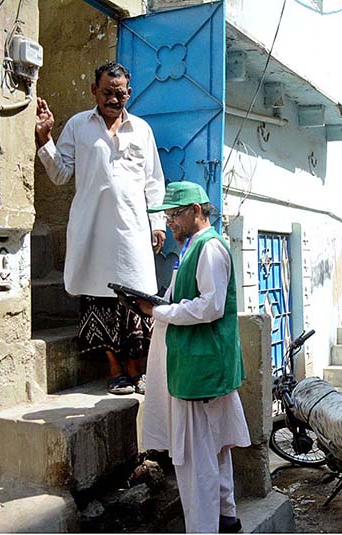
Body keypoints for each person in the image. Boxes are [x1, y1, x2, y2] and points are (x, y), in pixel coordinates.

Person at [35, 61, 165, 395]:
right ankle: (115, 371)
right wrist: (45, 139)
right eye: (107, 92)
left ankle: (139, 371)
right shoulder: (79, 125)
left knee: (137, 300)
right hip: (91, 228)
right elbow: (61, 173)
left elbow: (154, 182)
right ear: (94, 90)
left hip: (133, 229)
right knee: (98, 299)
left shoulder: (142, 130)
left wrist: (158, 223)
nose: (113, 99)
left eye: (119, 94)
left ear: (129, 93)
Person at [136, 182, 250, 533]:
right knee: (214, 450)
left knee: (196, 459)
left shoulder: (209, 248)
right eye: (167, 215)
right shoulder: (190, 249)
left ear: (196, 211)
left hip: (201, 371)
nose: (169, 222)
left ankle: (204, 527)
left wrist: (162, 312)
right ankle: (226, 518)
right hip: (197, 367)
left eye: (174, 214)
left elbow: (211, 305)